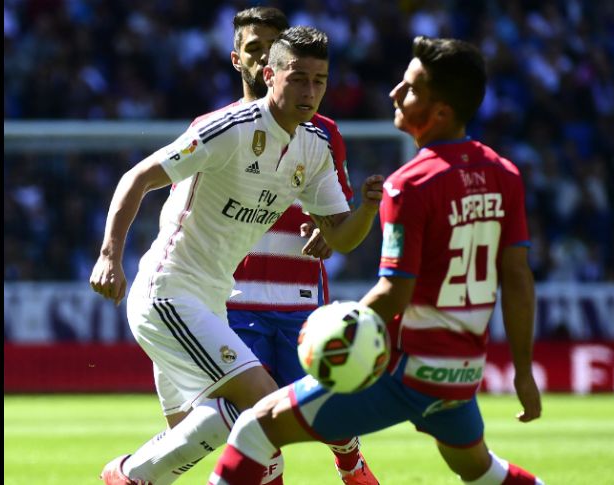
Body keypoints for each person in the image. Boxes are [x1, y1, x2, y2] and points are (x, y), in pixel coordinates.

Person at [208, 36, 546, 485]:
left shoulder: (411, 184)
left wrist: (337, 330)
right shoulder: (503, 174)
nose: (394, 94)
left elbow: (395, 292)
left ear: (440, 111)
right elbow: (518, 279)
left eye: (409, 89)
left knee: (255, 429)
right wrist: (523, 371)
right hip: (461, 374)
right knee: (480, 469)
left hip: (407, 371)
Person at [89, 26, 384, 485]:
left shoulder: (316, 145)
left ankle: (134, 477)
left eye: (320, 81)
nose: (310, 92)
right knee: (262, 406)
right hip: (167, 292)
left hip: (211, 302)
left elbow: (342, 238)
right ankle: (131, 473)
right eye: (298, 78)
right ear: (269, 74)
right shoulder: (227, 128)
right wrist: (109, 255)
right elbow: (138, 177)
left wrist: (367, 208)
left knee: (223, 422)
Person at [223, 7, 378, 485]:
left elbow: (337, 217)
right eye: (255, 48)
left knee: (322, 407)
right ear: (241, 60)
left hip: (300, 299)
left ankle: (349, 457)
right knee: (253, 420)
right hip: (235, 300)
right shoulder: (218, 127)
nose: (263, 56)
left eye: (273, 46)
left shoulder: (322, 133)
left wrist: (330, 231)